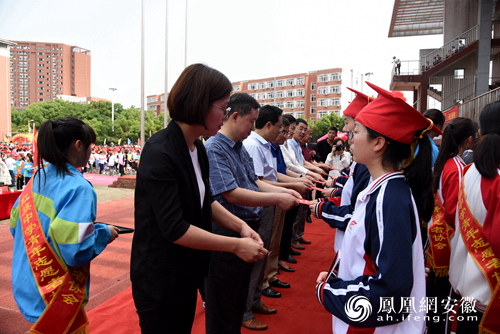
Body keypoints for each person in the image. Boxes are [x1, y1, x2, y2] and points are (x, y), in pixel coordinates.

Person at [131, 64, 268, 334]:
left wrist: (240, 226)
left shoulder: (197, 148)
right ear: (199, 104)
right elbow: (175, 228)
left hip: (185, 269)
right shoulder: (160, 151)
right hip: (159, 275)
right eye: (223, 108)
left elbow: (205, 202)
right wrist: (235, 245)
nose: (226, 116)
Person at [316, 82, 439, 333]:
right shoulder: (383, 189)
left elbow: (391, 294)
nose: (348, 138)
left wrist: (328, 291)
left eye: (356, 131)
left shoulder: (389, 198)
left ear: (378, 143)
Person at [10, 117, 119, 333]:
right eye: (90, 145)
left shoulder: (37, 177)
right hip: (54, 292)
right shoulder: (79, 188)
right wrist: (104, 233)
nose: (91, 150)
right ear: (78, 145)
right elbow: (76, 250)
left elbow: (16, 226)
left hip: (27, 280)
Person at [204, 92, 299, 333]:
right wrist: (278, 197)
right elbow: (231, 193)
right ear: (235, 117)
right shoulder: (215, 147)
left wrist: (287, 190)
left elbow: (253, 181)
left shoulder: (237, 147)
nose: (253, 127)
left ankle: (245, 312)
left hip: (247, 225)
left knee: (237, 293)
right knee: (224, 299)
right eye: (251, 121)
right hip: (228, 229)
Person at [449, 102, 500, 334]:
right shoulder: (496, 178)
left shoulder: (469, 171)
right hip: (491, 302)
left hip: (467, 294)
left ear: (480, 133)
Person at [425, 117, 476, 334]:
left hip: (438, 238)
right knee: (442, 303)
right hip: (448, 242)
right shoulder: (457, 167)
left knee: (437, 300)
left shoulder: (446, 163)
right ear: (469, 140)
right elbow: (455, 211)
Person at [311, 88, 374, 253]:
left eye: (348, 123)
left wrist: (323, 209)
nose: (346, 131)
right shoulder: (362, 163)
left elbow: (356, 214)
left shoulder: (367, 167)